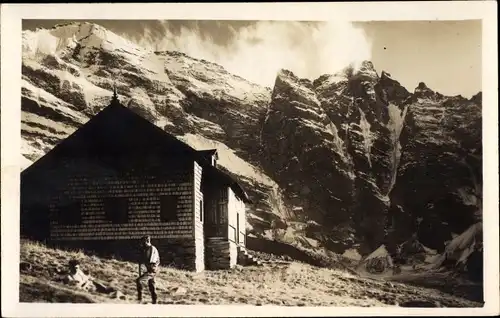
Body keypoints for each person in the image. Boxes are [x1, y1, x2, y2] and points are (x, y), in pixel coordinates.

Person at [136, 235, 160, 304]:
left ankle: (139, 299)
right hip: (149, 269)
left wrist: (153, 268)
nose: (142, 244)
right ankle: (155, 301)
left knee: (139, 281)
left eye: (143, 242)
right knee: (151, 285)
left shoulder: (152, 249)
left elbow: (153, 261)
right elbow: (142, 261)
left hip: (152, 270)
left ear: (147, 241)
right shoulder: (144, 249)